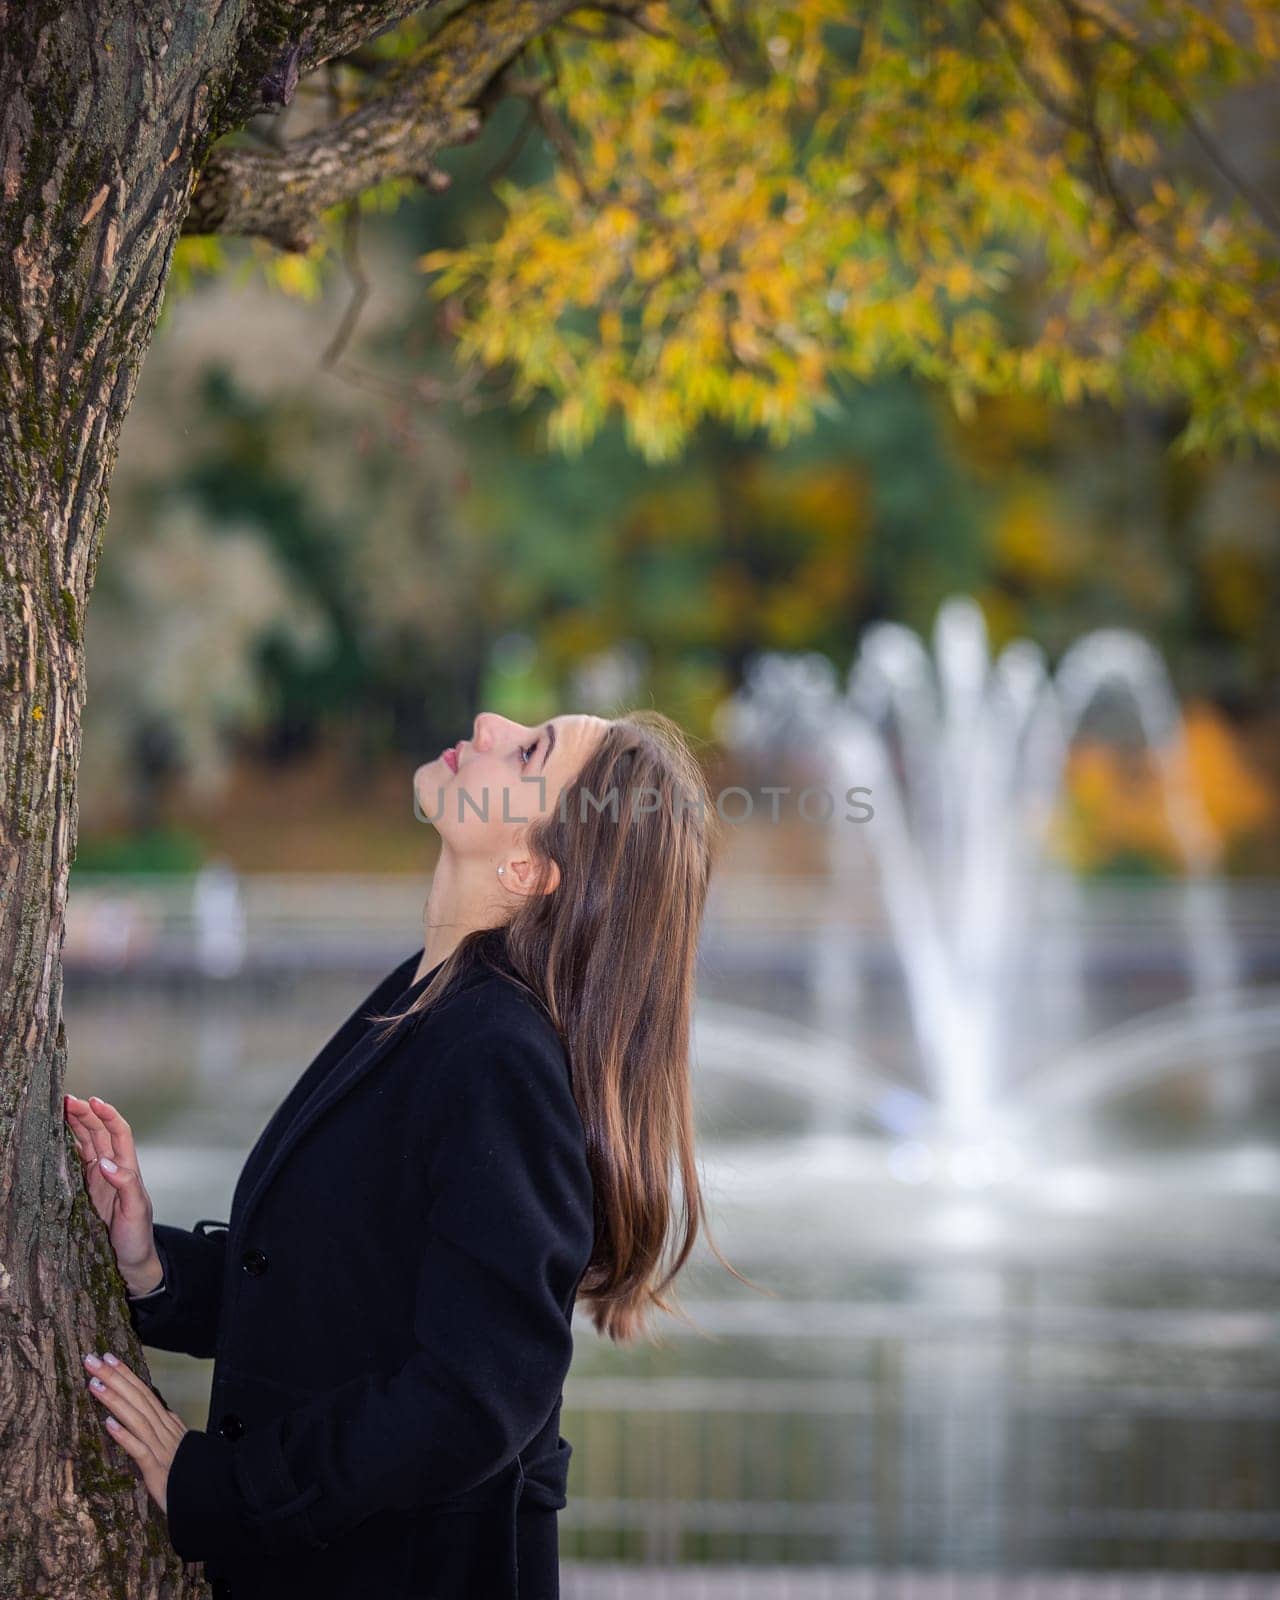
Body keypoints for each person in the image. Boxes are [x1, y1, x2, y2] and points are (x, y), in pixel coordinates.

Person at [65, 708, 744, 1599]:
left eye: (531, 748)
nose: (489, 721)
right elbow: (343, 1296)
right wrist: (156, 1268)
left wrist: (225, 1491)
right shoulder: (430, 1003)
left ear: (530, 868)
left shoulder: (499, 1053)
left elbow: (472, 1400)